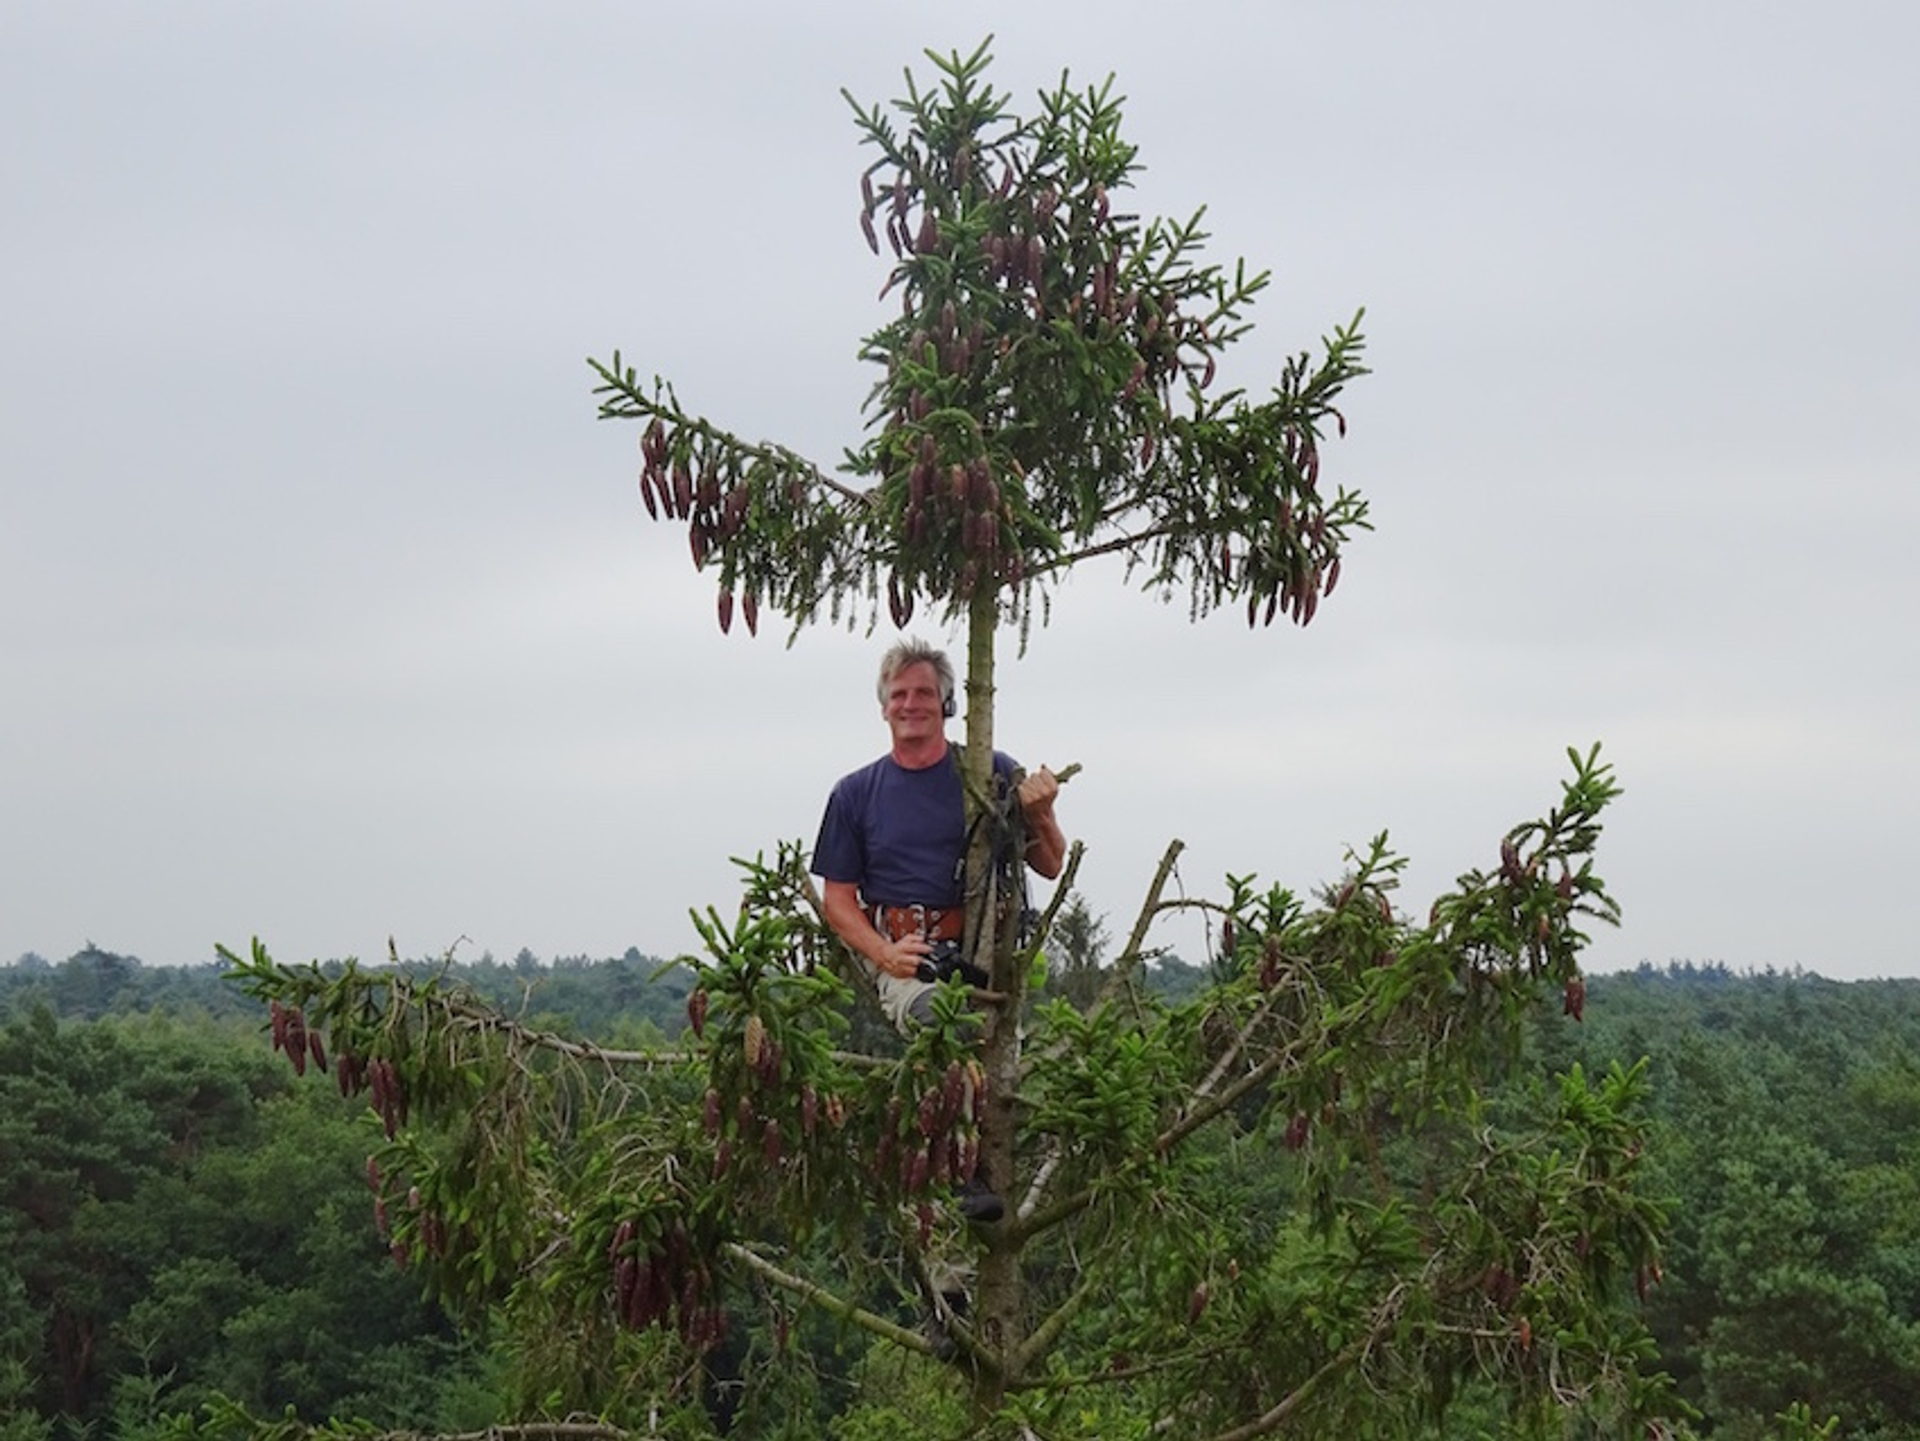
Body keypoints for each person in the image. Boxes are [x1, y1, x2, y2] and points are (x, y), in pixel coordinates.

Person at [812, 638, 1067, 1033]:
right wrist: (885, 955)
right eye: (899, 695)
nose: (910, 704)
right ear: (884, 708)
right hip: (909, 963)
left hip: (986, 957)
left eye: (924, 693)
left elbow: (1050, 865)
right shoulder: (854, 794)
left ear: (946, 705)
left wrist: (1041, 814)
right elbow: (837, 899)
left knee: (993, 1064)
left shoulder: (990, 771)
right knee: (947, 1025)